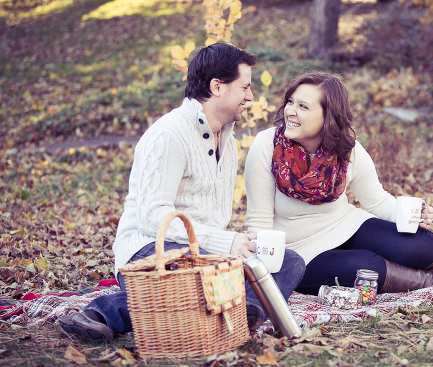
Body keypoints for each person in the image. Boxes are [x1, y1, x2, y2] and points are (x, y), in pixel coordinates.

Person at [58, 43, 306, 341]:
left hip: (201, 255)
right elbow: (153, 216)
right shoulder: (168, 135)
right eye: (245, 87)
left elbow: (210, 222)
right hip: (151, 249)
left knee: (289, 262)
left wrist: (239, 245)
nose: (250, 96)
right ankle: (101, 313)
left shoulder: (227, 143)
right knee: (195, 278)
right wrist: (225, 243)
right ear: (217, 86)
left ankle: (238, 311)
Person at [244, 72, 433, 296]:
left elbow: (377, 201)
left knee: (416, 245)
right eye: (290, 102)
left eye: (303, 106)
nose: (290, 111)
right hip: (299, 252)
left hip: (345, 225)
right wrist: (271, 267)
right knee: (366, 267)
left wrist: (412, 212)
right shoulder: (267, 146)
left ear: (328, 116)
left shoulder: (346, 150)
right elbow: (258, 223)